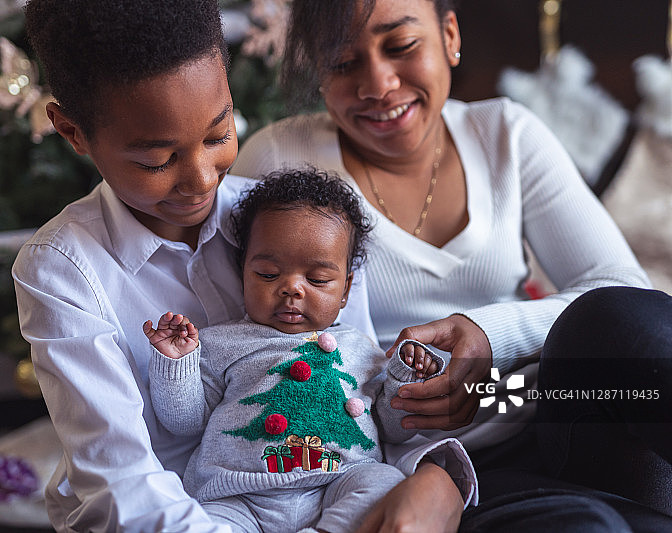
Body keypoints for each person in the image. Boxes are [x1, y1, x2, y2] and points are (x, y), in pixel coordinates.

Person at [13, 0, 474, 531]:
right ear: (72, 133)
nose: (201, 180)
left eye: (217, 134)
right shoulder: (63, 269)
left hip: (332, 493)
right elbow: (122, 485)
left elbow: (363, 389)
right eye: (156, 161)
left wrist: (433, 478)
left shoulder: (302, 227)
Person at [230, 0, 672, 530]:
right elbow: (247, 356)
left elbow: (626, 293)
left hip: (548, 407)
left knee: (623, 321)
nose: (378, 84)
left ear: (449, 35)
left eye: (401, 46)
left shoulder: (506, 134)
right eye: (342, 63)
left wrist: (490, 334)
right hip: (408, 474)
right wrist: (431, 469)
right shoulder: (280, 161)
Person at [143, 169, 476, 533]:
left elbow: (393, 431)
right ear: (243, 274)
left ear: (346, 289)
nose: (291, 289)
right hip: (238, 494)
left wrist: (402, 378)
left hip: (337, 484)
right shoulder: (223, 343)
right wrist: (176, 362)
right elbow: (184, 422)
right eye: (268, 274)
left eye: (317, 280)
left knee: (384, 481)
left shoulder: (360, 348)